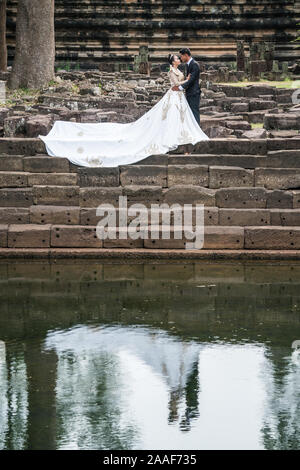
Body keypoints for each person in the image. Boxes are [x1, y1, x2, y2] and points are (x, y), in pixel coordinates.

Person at [38, 53, 209, 168]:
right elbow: (174, 84)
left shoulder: (181, 69)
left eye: (180, 58)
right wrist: (182, 82)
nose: (179, 60)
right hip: (174, 96)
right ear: (173, 62)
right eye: (177, 59)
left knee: (177, 118)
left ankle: (179, 135)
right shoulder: (172, 71)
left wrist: (185, 80)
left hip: (179, 98)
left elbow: (185, 80)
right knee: (167, 118)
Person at [172, 48, 201, 126]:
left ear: (186, 55)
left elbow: (191, 80)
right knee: (190, 113)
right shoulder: (188, 65)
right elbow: (188, 79)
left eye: (181, 56)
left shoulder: (194, 64)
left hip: (194, 93)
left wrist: (180, 88)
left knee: (194, 112)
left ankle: (197, 130)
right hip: (189, 92)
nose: (180, 58)